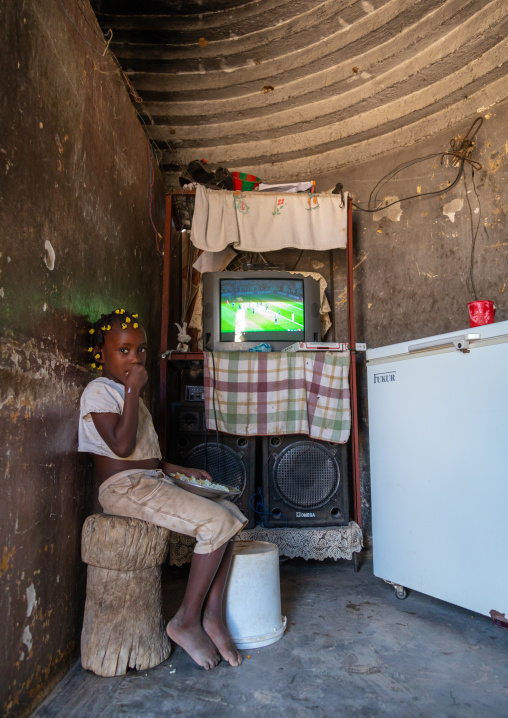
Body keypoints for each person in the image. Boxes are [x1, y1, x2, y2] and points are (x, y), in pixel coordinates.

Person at [78, 309, 247, 670]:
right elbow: (120, 449)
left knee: (231, 515)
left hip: (146, 480)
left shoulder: (128, 396)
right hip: (124, 490)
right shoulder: (98, 392)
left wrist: (179, 470)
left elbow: (144, 458)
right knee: (215, 525)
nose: (134, 358)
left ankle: (211, 615)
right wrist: (132, 388)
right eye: (124, 350)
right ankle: (185, 620)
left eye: (139, 350)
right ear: (100, 353)